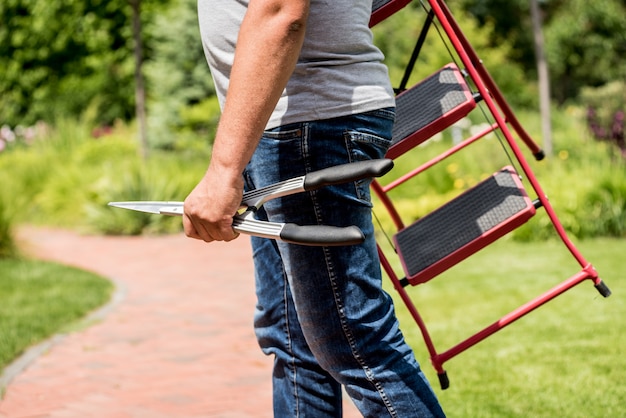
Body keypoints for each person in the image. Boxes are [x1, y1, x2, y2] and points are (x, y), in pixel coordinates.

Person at [184, 0, 446, 416]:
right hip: (281, 124)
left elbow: (280, 11)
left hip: (308, 121)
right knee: (294, 342)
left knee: (354, 339)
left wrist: (224, 169)